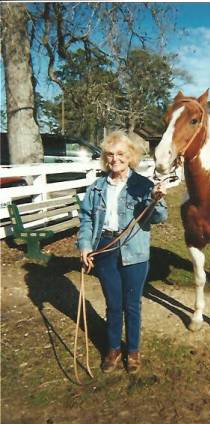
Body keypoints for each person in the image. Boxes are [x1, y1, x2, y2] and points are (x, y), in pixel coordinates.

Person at [77, 130, 167, 374]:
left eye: (120, 154)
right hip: (105, 249)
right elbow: (85, 218)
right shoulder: (96, 188)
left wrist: (156, 199)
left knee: (132, 305)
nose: (115, 159)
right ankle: (114, 348)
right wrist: (85, 245)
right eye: (110, 154)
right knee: (113, 304)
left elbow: (160, 217)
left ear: (131, 156)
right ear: (105, 158)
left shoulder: (143, 185)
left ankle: (134, 350)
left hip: (134, 252)